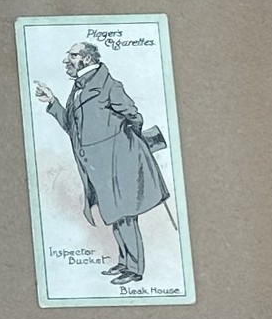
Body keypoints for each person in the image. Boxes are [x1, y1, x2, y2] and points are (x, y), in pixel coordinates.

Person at [32, 42, 171, 285]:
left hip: (119, 163)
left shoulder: (109, 86)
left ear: (86, 59)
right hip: (100, 167)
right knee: (115, 215)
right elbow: (71, 127)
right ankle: (125, 262)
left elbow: (134, 117)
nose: (66, 60)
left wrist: (123, 147)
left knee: (125, 216)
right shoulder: (78, 88)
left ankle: (135, 269)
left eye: (72, 55)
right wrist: (52, 101)